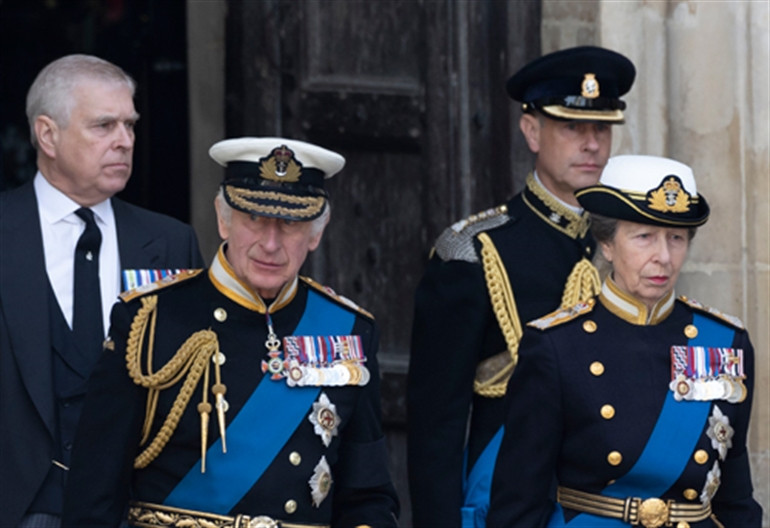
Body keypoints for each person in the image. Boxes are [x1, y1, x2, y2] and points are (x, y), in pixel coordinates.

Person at [62, 137, 400, 527]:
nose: (270, 244)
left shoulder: (349, 330)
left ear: (316, 234)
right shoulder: (150, 320)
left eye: (290, 225)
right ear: (224, 220)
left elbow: (367, 495)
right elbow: (93, 495)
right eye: (254, 220)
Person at [407, 46, 636, 527]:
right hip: (506, 506)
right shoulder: (473, 252)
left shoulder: (635, 245)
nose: (592, 144)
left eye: (602, 127)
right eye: (572, 127)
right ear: (531, 130)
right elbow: (436, 427)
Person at [487, 154, 763, 527]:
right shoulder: (556, 347)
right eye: (644, 237)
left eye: (676, 238)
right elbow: (518, 506)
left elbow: (736, 497)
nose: (663, 257)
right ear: (607, 243)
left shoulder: (726, 342)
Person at [0, 54, 204, 528]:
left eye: (130, 126)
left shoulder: (172, 241)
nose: (125, 141)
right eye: (104, 126)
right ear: (47, 135)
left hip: (141, 509)